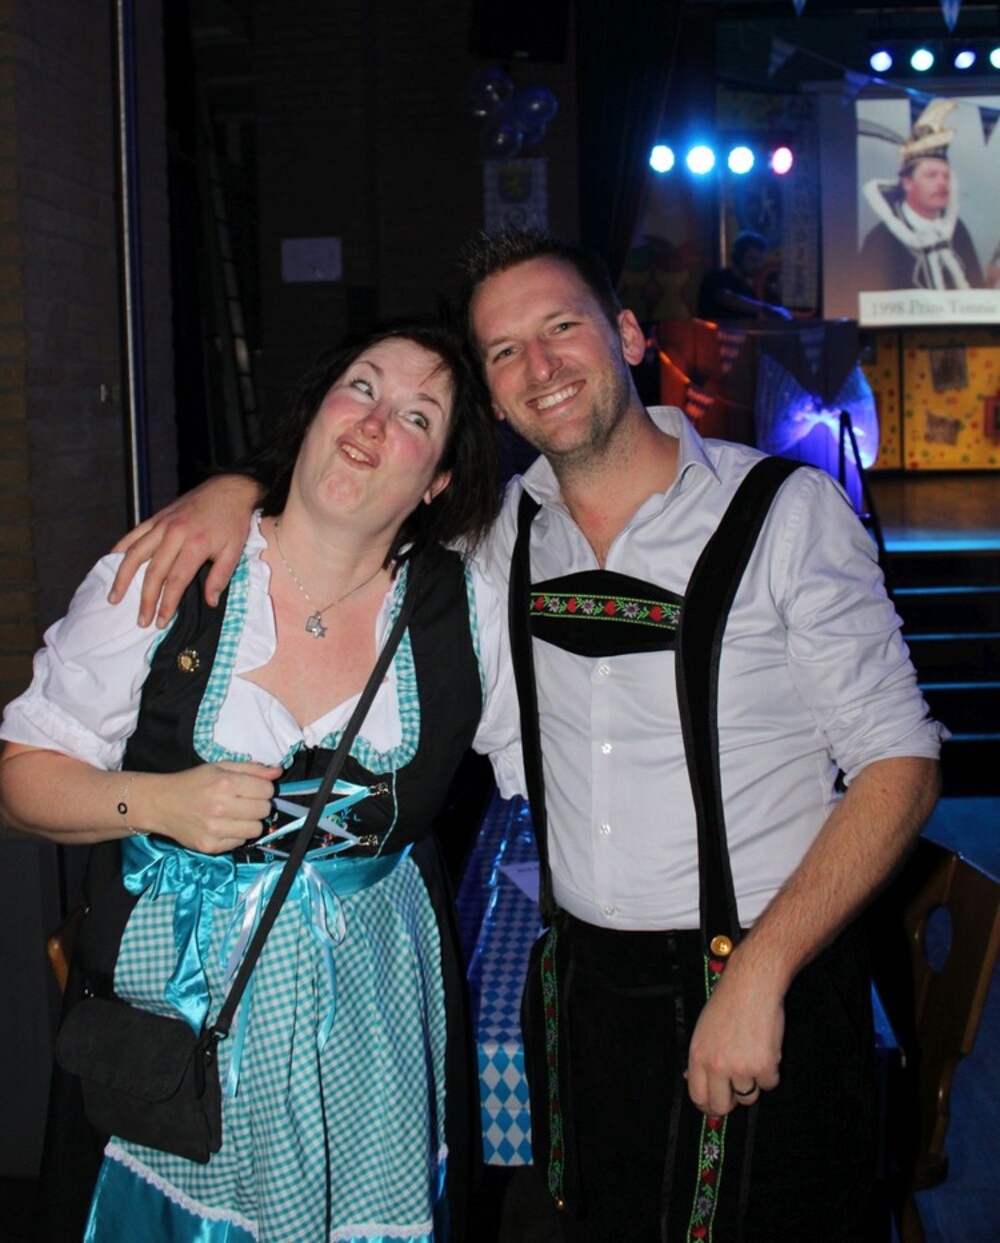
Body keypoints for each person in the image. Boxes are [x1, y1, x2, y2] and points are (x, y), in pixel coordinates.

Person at [98, 232, 942, 1242]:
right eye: (503, 352)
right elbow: (346, 511)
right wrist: (236, 495)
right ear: (491, 401)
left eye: (561, 328)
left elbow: (900, 762)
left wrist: (763, 972)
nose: (539, 366)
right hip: (585, 998)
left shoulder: (786, 515)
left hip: (770, 979)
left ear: (628, 334)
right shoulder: (493, 546)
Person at [0, 321, 520, 1243]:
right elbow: (20, 781)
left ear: (439, 479)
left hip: (372, 1037)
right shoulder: (171, 572)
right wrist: (158, 802)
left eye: (417, 416)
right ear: (317, 408)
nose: (373, 422)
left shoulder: (466, 607)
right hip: (176, 1030)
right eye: (362, 386)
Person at [860, 98, 986, 290]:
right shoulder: (880, 238)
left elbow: (978, 289)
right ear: (907, 183)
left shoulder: (958, 230)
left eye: (946, 176)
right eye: (931, 175)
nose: (942, 182)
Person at [695, 230, 793, 322]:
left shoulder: (748, 291)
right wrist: (768, 308)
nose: (758, 266)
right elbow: (726, 298)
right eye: (753, 260)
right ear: (738, 257)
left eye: (760, 261)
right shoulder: (715, 278)